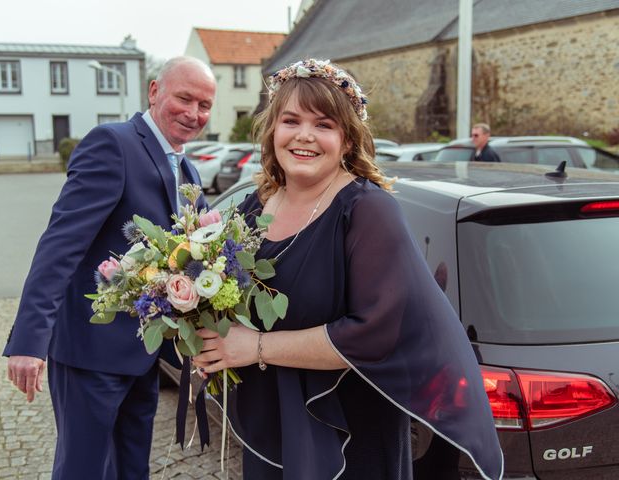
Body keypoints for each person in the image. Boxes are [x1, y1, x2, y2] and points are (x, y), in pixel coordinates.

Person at [193, 59, 503, 480]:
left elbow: (372, 335)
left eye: (324, 124)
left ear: (347, 139)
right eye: (291, 120)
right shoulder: (254, 207)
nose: (304, 135)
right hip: (275, 426)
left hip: (350, 437)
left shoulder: (367, 210)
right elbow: (231, 306)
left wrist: (257, 347)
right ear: (272, 130)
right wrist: (204, 335)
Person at [3, 56, 215, 479]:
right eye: (184, 98)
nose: (194, 114)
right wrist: (28, 340)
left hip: (143, 355)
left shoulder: (187, 169)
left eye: (205, 105)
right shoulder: (113, 143)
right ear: (155, 92)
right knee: (83, 469)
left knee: (132, 468)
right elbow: (61, 245)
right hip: (89, 351)